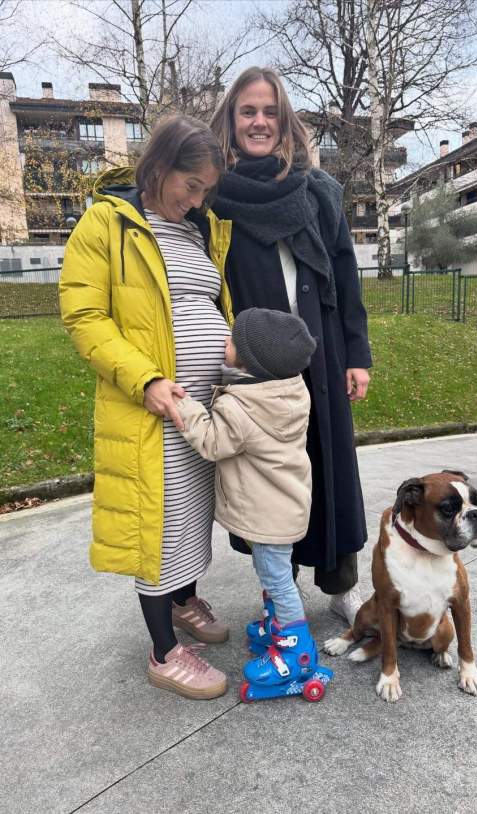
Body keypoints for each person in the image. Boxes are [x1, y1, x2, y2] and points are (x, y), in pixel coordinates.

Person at [59, 114, 235, 700]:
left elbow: (214, 305)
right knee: (155, 527)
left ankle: (183, 602)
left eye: (206, 190)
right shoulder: (106, 224)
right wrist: (148, 380)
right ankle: (164, 652)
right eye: (191, 186)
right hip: (148, 410)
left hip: (201, 410)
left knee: (189, 515)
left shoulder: (198, 230)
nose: (198, 199)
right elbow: (84, 317)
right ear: (158, 169)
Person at [210, 67, 372, 625]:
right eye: (247, 111)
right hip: (255, 367)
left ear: (285, 122)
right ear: (231, 121)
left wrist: (357, 355)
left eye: (270, 111)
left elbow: (347, 280)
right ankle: (279, 588)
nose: (259, 122)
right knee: (263, 478)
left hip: (321, 356)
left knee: (329, 468)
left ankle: (341, 582)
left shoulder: (319, 192)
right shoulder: (214, 197)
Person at [176, 307, 332, 700]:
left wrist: (185, 406)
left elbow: (212, 442)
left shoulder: (242, 407)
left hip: (267, 514)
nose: (223, 344)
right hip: (285, 505)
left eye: (231, 342)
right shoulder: (290, 390)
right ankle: (275, 626)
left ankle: (296, 653)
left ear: (250, 361)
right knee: (274, 574)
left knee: (277, 578)